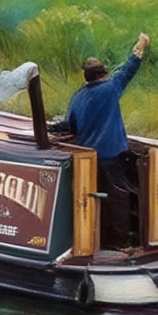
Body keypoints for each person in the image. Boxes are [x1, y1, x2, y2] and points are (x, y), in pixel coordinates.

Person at [51, 33, 150, 249]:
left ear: (86, 77)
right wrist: (142, 44)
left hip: (89, 161)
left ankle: (93, 242)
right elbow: (130, 67)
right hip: (112, 157)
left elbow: (71, 126)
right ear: (103, 74)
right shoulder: (111, 88)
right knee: (118, 201)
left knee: (91, 200)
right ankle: (120, 245)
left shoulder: (78, 97)